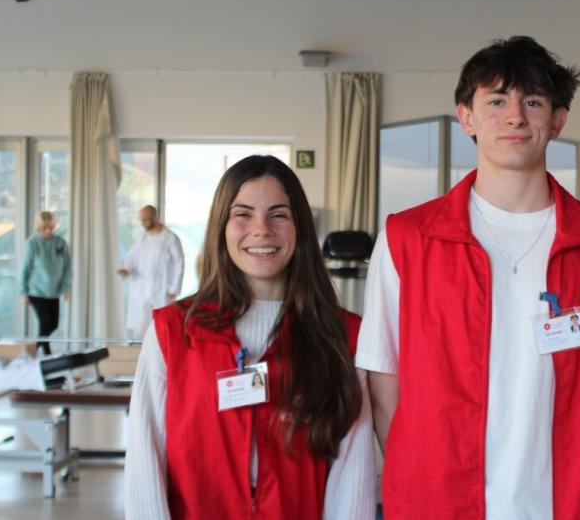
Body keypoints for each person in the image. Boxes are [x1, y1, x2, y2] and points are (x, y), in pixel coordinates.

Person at [357, 36, 580, 520]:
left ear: (557, 119)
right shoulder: (407, 241)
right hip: (438, 502)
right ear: (466, 116)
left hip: (569, 505)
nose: (514, 117)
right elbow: (386, 388)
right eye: (496, 101)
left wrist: (579, 471)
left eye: (532, 101)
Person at [125, 156, 375, 520]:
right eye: (243, 214)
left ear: (300, 228)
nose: (262, 230)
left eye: (278, 215)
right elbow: (145, 458)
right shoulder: (173, 331)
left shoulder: (342, 336)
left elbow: (353, 469)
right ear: (221, 227)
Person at [119, 205, 185, 341]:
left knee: (161, 328)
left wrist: (174, 287)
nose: (144, 223)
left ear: (155, 217)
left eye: (146, 220)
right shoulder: (141, 238)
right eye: (142, 220)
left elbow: (179, 263)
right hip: (141, 290)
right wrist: (126, 269)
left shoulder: (170, 238)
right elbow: (131, 258)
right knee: (140, 327)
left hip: (162, 290)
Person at [19, 211, 71, 355]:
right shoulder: (32, 243)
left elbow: (67, 268)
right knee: (45, 324)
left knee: (53, 325)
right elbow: (25, 269)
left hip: (53, 292)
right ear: (38, 227)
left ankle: (36, 350)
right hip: (36, 291)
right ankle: (43, 353)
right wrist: (23, 292)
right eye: (44, 228)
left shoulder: (60, 244)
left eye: (50, 227)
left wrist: (66, 288)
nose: (48, 231)